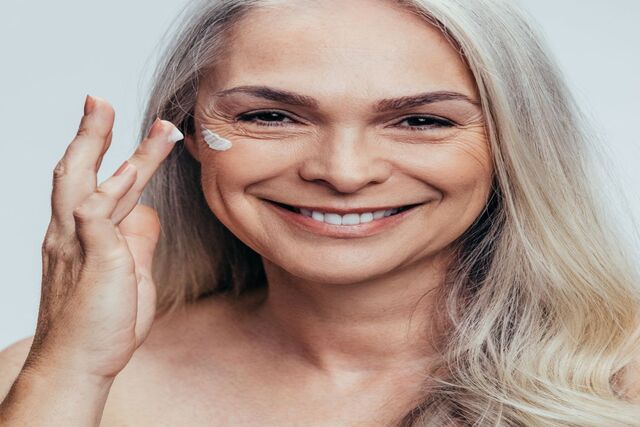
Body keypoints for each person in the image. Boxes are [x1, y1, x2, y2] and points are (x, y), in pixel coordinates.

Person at [1, 0, 639, 425]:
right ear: (188, 133)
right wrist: (70, 372)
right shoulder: (51, 379)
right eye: (271, 116)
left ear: (513, 145)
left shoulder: (626, 371)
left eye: (421, 120)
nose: (342, 171)